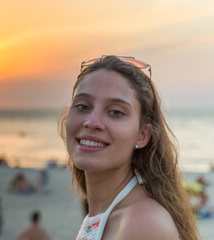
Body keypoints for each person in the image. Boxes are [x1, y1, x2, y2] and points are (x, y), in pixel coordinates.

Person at [59, 55, 198, 239]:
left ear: (142, 136)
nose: (92, 122)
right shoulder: (110, 214)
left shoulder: (143, 223)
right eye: (83, 106)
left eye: (115, 112)